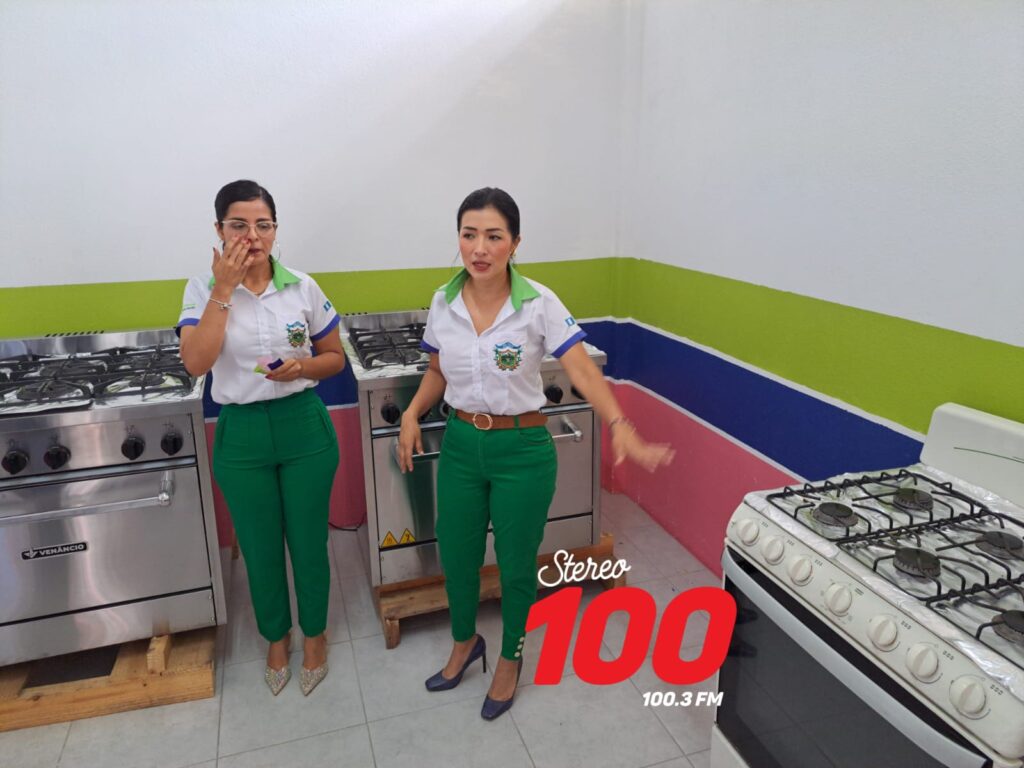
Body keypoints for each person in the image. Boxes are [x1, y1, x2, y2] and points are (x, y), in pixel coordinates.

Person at [397, 187, 674, 720]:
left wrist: (620, 424)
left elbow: (582, 369)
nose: (479, 248)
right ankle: (464, 642)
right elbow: (435, 370)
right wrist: (411, 413)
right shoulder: (443, 302)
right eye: (469, 235)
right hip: (460, 444)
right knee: (456, 554)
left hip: (522, 450)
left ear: (515, 243)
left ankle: (510, 656)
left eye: (493, 236)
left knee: (516, 564)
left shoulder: (538, 303)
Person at [177, 180, 345, 696]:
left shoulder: (302, 287)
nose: (252, 236)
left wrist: (302, 368)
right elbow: (196, 363)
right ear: (219, 230)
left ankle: (314, 635)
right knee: (258, 545)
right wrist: (224, 290)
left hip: (303, 426)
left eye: (263, 224)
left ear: (275, 230)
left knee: (309, 543)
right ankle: (276, 637)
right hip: (242, 434)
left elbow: (334, 358)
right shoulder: (202, 289)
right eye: (239, 225)